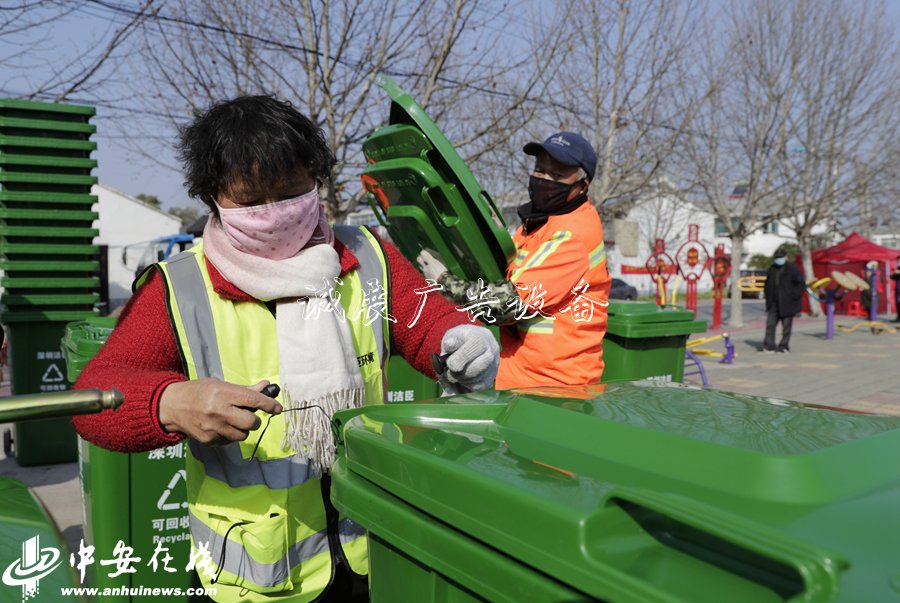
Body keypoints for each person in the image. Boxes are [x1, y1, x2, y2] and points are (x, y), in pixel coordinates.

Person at [72, 95, 499, 603]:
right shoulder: (179, 286)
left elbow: (428, 322)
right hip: (251, 575)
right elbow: (95, 396)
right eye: (251, 201)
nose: (274, 213)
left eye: (291, 192)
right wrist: (167, 402)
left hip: (369, 549)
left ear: (316, 178)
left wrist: (460, 339)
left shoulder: (367, 256)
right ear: (213, 198)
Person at [417, 131, 611, 388]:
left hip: (557, 388)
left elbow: (508, 304)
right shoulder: (538, 225)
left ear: (582, 185)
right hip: (523, 377)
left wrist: (446, 282)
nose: (544, 180)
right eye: (540, 170)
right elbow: (508, 270)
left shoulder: (573, 235)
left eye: (557, 175)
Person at [762, 249, 805, 353]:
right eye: (777, 258)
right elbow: (767, 284)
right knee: (770, 325)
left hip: (788, 303)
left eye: (780, 257)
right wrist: (767, 296)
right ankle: (769, 345)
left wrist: (793, 295)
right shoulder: (772, 269)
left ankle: (783, 346)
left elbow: (801, 284)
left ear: (786, 257)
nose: (778, 260)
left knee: (786, 327)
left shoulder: (792, 269)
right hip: (773, 303)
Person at [890, 257, 900, 322]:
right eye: (898, 261)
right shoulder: (898, 269)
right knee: (898, 304)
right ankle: (898, 318)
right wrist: (892, 275)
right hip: (898, 289)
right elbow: (894, 277)